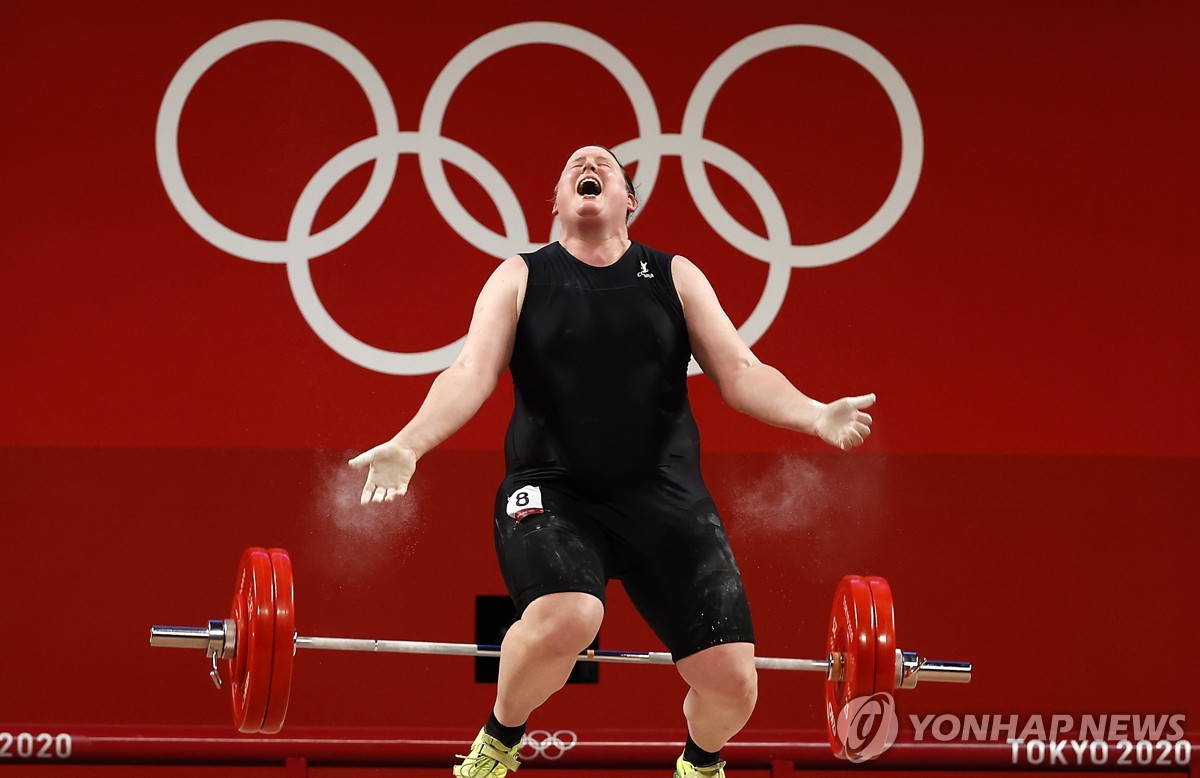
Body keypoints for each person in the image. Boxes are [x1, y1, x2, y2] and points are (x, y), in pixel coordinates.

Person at [349, 145, 875, 778]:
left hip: (666, 500)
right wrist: (410, 442)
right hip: (554, 493)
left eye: (602, 164)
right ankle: (498, 742)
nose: (585, 163)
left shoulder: (676, 276)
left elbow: (740, 372)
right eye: (571, 165)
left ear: (629, 200)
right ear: (556, 205)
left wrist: (813, 414)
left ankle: (700, 764)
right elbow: (469, 373)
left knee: (734, 687)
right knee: (571, 615)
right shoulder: (519, 276)